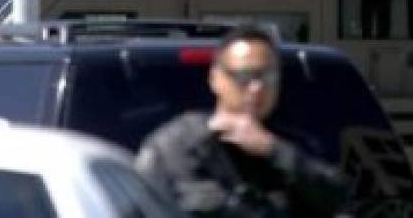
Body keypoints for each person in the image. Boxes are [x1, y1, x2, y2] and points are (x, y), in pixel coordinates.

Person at [136, 24, 346, 218]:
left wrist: (273, 150)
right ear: (215, 78)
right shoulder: (174, 147)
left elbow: (337, 198)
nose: (257, 88)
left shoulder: (291, 150)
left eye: (268, 77)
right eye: (245, 76)